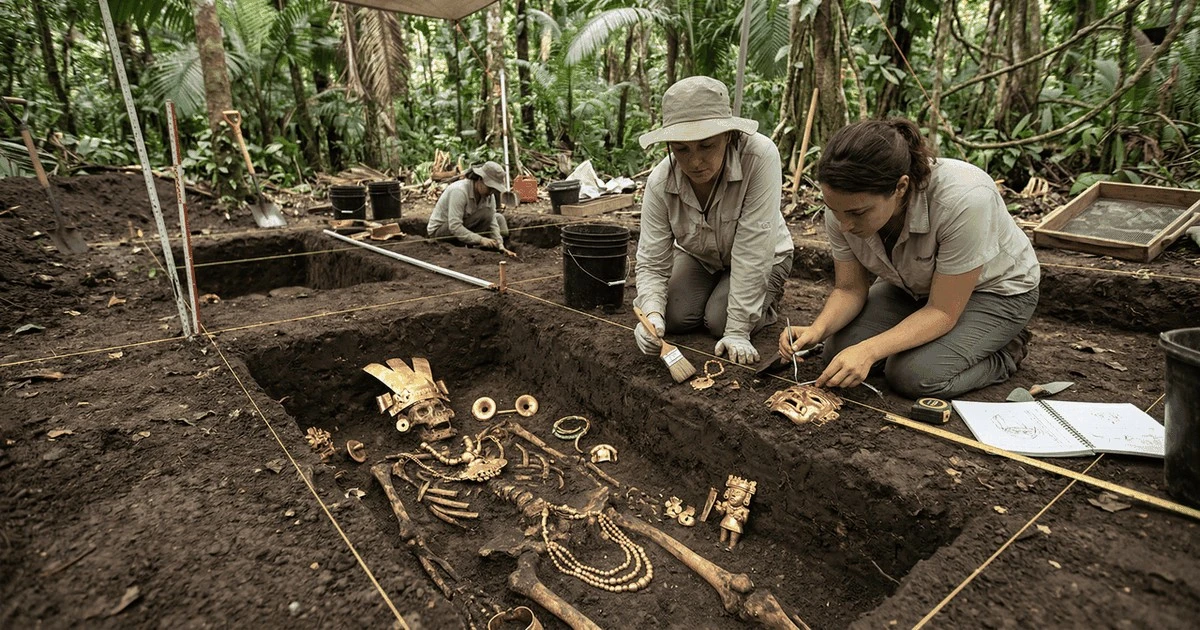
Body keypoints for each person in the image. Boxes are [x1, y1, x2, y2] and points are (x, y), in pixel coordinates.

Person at [778, 118, 1040, 399]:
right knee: (838, 352)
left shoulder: (964, 200)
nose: (844, 226)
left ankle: (1007, 350)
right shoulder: (846, 206)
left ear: (900, 187)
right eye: (834, 210)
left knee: (913, 375)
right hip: (913, 288)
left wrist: (870, 350)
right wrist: (817, 330)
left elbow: (942, 311)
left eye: (857, 214)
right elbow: (850, 289)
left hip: (995, 292)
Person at [632, 76, 795, 366]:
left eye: (706, 146)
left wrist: (738, 331)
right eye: (682, 149)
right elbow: (652, 262)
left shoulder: (759, 157)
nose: (695, 162)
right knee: (673, 317)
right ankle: (719, 291)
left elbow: (754, 249)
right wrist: (651, 315)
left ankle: (765, 303)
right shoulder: (660, 182)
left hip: (766, 257)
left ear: (728, 136)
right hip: (702, 258)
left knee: (720, 322)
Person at [427, 161, 516, 257]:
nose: (491, 192)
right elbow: (455, 226)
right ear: (480, 179)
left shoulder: (489, 195)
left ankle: (483, 244)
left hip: (466, 223)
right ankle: (468, 244)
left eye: (494, 189)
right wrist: (480, 240)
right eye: (490, 187)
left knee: (499, 218)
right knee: (486, 213)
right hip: (440, 231)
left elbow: (492, 221)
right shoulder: (459, 191)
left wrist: (500, 245)